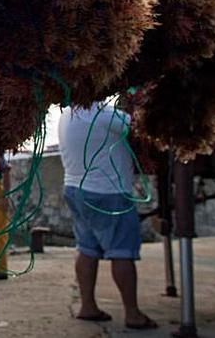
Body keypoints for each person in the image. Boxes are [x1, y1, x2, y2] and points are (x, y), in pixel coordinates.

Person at [59, 102, 157, 330]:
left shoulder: (66, 115)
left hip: (75, 189)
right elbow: (141, 126)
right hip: (108, 192)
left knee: (86, 249)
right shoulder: (103, 115)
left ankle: (88, 305)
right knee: (122, 251)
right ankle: (132, 313)